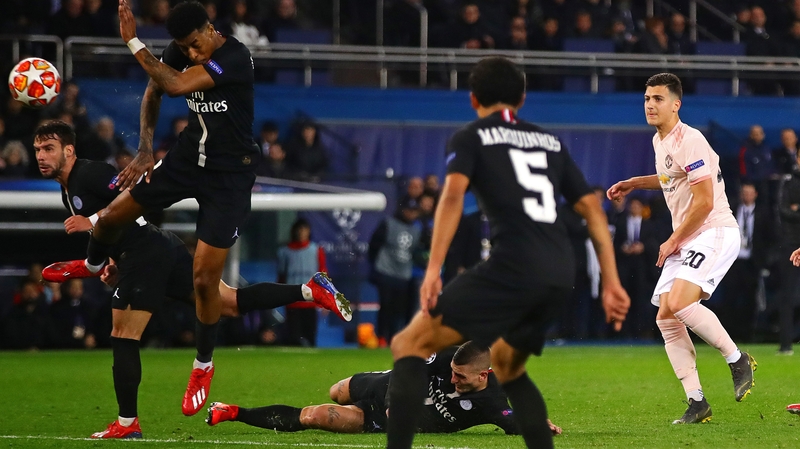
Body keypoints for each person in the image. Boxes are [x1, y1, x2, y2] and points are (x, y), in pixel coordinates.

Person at [33, 121, 352, 439]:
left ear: (69, 150)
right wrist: (112, 261)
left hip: (144, 255)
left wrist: (89, 222)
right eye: (37, 150)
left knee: (123, 334)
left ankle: (127, 423)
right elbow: (119, 223)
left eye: (48, 149)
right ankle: (310, 290)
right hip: (155, 249)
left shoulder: (88, 174)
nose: (41, 156)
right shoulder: (68, 188)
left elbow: (133, 198)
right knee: (227, 303)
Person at [384, 56, 630, 449]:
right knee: (508, 368)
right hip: (559, 272)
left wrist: (433, 270)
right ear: (522, 98)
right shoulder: (551, 141)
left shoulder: (471, 136)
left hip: (513, 266)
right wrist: (612, 281)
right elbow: (592, 211)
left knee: (407, 344)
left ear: (473, 99)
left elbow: (451, 199)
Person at [41, 0, 262, 418]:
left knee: (203, 280)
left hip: (229, 176)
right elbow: (155, 88)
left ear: (210, 29)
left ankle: (202, 364)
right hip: (184, 161)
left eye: (196, 45)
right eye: (185, 47)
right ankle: (91, 265)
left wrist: (133, 42)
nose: (192, 53)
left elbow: (176, 86)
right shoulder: (183, 50)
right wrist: (144, 149)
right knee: (111, 216)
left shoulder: (234, 56)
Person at [607, 73, 757, 425]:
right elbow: (669, 179)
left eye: (657, 99)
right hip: (690, 236)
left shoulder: (691, 139)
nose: (649, 104)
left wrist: (673, 240)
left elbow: (704, 202)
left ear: (676, 104)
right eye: (646, 98)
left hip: (714, 229)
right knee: (666, 316)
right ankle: (697, 402)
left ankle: (738, 359)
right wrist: (634, 183)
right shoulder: (662, 141)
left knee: (679, 303)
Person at [205, 341, 562, 436]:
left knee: (316, 415)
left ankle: (233, 412)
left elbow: (512, 422)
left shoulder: (491, 400)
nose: (453, 379)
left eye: (461, 378)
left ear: (483, 377)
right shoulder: (448, 357)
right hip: (388, 387)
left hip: (377, 417)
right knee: (335, 390)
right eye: (452, 373)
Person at [278, 218, 328, 346]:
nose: (301, 233)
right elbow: (281, 277)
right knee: (293, 338)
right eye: (299, 230)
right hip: (293, 301)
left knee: (310, 337)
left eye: (304, 230)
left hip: (310, 301)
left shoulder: (316, 250)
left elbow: (322, 276)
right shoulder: (284, 252)